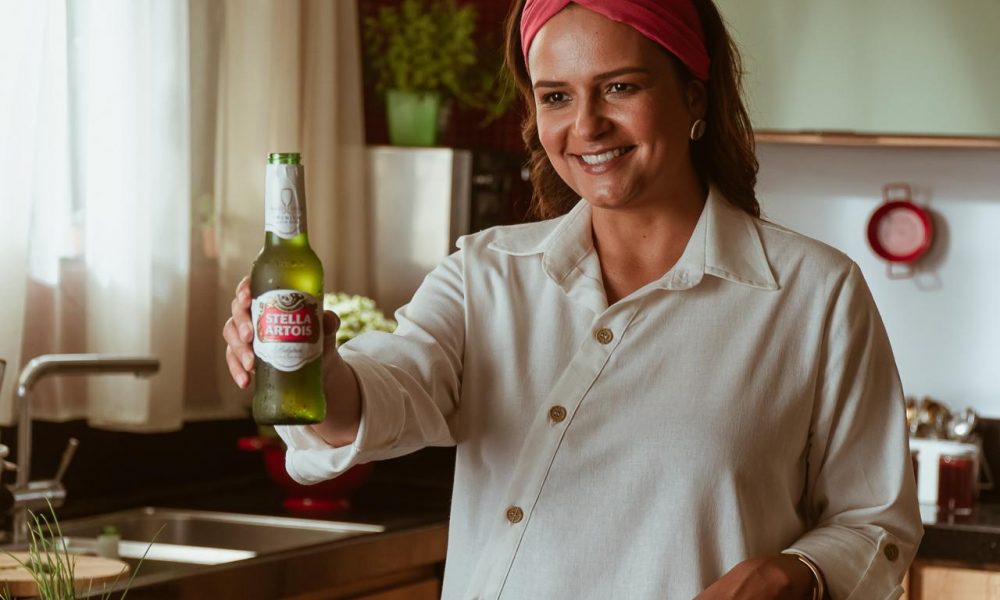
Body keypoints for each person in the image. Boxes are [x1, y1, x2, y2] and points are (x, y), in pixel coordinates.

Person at [223, 0, 922, 597]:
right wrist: (317, 367)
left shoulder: (813, 294)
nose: (586, 126)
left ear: (694, 97)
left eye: (619, 87)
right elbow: (395, 386)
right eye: (556, 96)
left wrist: (791, 572)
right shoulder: (486, 273)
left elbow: (875, 523)